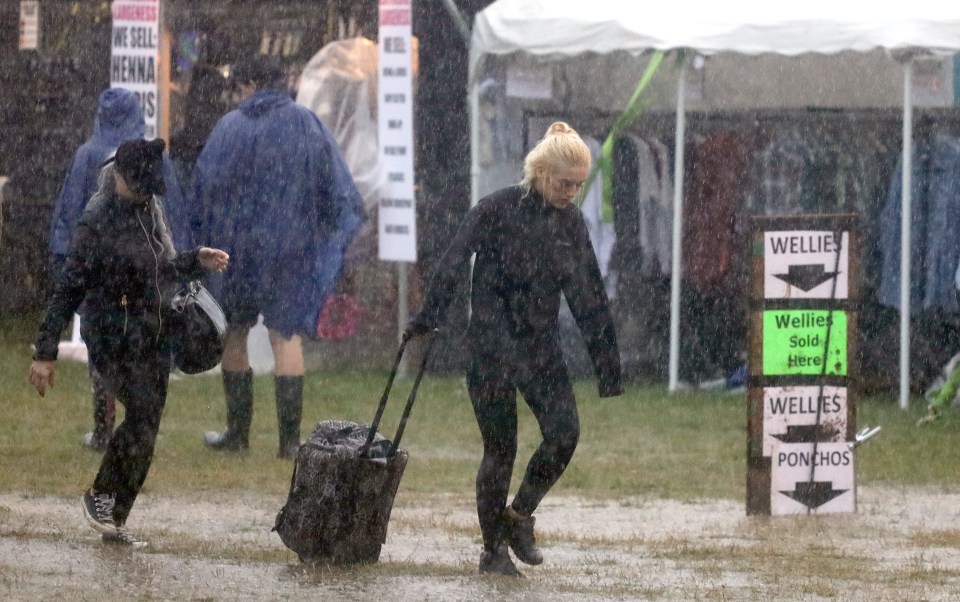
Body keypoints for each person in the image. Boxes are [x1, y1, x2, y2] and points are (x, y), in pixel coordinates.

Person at [405, 122, 623, 577]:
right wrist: (428, 318)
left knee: (565, 434)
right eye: (565, 183)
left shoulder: (570, 224)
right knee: (499, 450)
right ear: (541, 172)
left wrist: (608, 366)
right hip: (489, 347)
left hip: (540, 348)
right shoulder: (495, 209)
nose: (571, 193)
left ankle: (519, 515)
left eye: (579, 186)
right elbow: (452, 262)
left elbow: (588, 295)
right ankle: (492, 552)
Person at [28, 138, 230, 547]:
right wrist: (46, 353)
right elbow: (68, 288)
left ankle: (114, 520)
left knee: (148, 428)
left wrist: (196, 259)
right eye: (139, 187)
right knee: (140, 417)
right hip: (111, 336)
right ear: (118, 177)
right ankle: (100, 495)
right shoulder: (95, 220)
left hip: (150, 331)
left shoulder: (149, 210)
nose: (145, 195)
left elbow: (159, 267)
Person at [193, 54, 364, 459]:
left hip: (236, 252)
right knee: (285, 337)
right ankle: (289, 443)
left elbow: (204, 188)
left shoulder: (228, 128)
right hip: (292, 251)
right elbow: (336, 189)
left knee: (234, 333)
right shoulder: (306, 124)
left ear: (249, 84)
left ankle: (238, 434)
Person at [49, 87, 193, 452]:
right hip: (144, 270)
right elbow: (172, 214)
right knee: (141, 350)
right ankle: (139, 430)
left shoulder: (87, 155)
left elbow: (69, 213)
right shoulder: (149, 157)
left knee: (102, 351)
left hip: (101, 273)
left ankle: (103, 430)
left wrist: (65, 260)